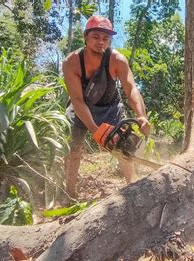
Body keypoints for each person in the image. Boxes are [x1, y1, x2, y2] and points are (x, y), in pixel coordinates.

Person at [62, 15, 150, 198]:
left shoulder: (117, 60)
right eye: (95, 37)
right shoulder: (71, 63)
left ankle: (132, 187)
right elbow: (77, 100)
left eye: (105, 38)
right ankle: (69, 193)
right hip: (81, 109)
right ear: (85, 37)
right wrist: (95, 130)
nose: (100, 42)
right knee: (74, 150)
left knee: (125, 149)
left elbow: (131, 88)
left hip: (111, 108)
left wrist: (141, 116)